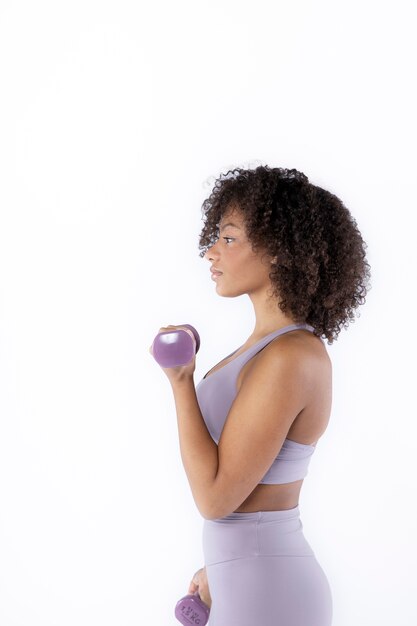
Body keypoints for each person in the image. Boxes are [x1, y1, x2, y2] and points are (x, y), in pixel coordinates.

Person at [151, 165, 371, 625]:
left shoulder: (290, 357)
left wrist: (180, 383)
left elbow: (215, 499)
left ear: (278, 253)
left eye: (228, 239)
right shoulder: (265, 349)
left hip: (268, 591)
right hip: (250, 580)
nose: (211, 252)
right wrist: (224, 568)